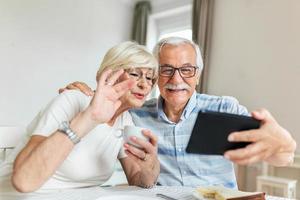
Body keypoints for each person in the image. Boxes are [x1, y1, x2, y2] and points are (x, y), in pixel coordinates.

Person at [59, 37, 296, 188]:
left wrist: (284, 145)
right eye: (167, 70)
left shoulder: (224, 109)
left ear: (198, 75)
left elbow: (279, 156)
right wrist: (87, 92)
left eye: (186, 70)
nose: (176, 79)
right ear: (155, 75)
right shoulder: (137, 114)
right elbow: (110, 104)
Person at [0, 41, 160, 194]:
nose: (145, 85)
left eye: (150, 78)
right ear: (109, 73)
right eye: (135, 74)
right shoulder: (72, 100)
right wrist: (89, 118)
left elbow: (136, 179)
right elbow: (23, 181)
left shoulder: (125, 121)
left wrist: (149, 168)